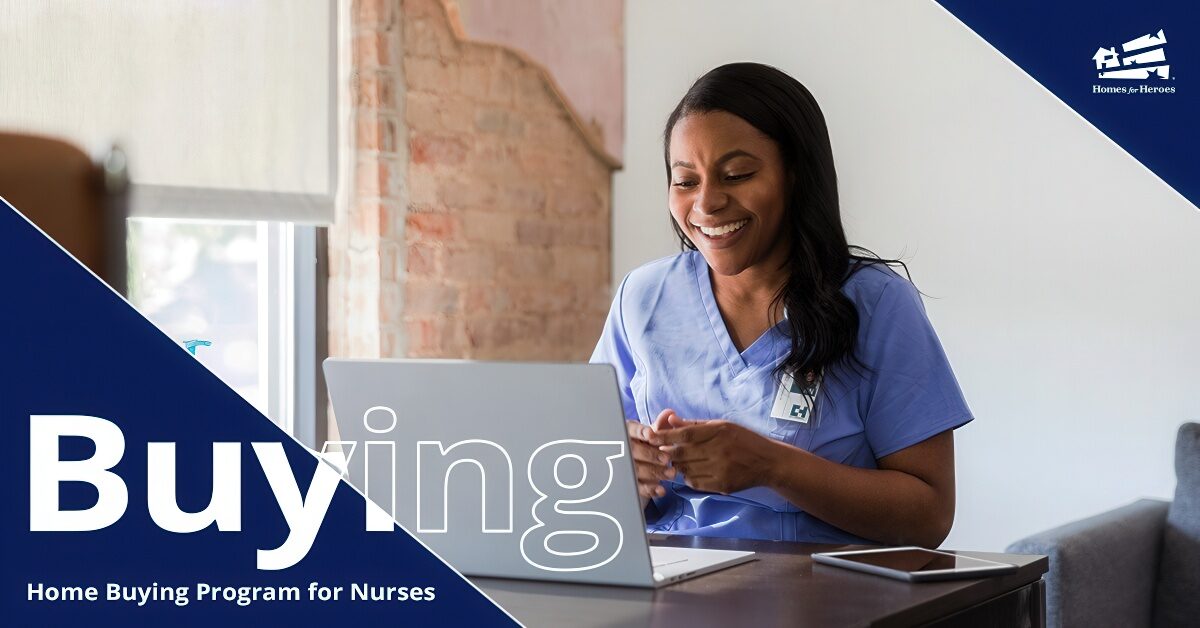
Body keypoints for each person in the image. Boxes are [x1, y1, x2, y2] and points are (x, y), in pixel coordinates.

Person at [590, 62, 974, 546]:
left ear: (795, 175)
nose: (706, 204)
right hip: (670, 588)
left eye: (737, 174)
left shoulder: (875, 303)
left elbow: (930, 517)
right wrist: (624, 470)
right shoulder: (642, 298)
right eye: (686, 181)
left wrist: (772, 466)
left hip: (820, 599)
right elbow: (586, 486)